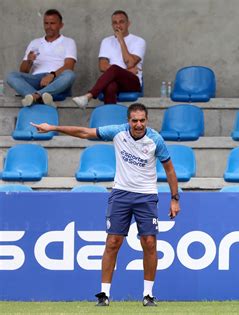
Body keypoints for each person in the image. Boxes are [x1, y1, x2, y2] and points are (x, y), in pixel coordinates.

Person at [31, 103, 180, 307]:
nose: (138, 124)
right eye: (134, 120)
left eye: (142, 120)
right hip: (121, 194)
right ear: (128, 120)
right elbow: (85, 132)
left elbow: (170, 170)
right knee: (112, 243)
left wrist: (174, 198)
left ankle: (148, 294)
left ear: (147, 120)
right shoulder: (118, 132)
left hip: (146, 196)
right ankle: (104, 294)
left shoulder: (155, 140)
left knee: (150, 243)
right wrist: (53, 128)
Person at [73, 10, 145, 107]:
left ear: (128, 24)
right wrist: (124, 70)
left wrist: (121, 41)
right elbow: (102, 67)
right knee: (110, 86)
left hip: (132, 82)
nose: (118, 26)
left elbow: (130, 63)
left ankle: (89, 96)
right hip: (114, 80)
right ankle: (110, 117)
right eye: (115, 23)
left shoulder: (139, 41)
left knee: (114, 68)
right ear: (112, 25)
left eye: (121, 22)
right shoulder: (106, 41)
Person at [6, 9, 77, 107]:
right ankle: (43, 97)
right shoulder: (34, 43)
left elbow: (69, 66)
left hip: (56, 80)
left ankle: (35, 96)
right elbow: (23, 70)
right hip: (36, 80)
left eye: (52, 23)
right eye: (46, 23)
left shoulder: (68, 42)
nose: (49, 27)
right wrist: (29, 61)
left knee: (69, 75)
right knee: (11, 76)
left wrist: (52, 75)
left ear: (61, 25)